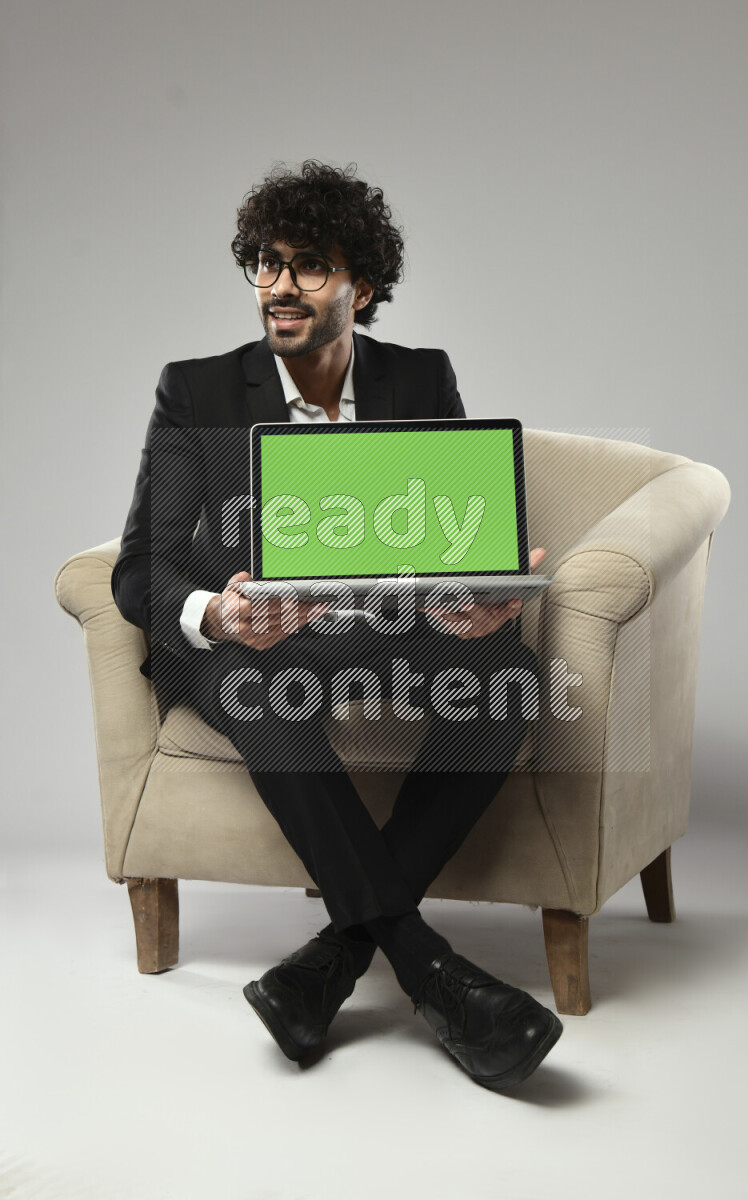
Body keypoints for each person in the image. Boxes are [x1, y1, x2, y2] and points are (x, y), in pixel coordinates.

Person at [113, 160, 562, 1089]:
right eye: (267, 263)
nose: (278, 285)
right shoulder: (195, 393)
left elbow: (453, 545)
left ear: (364, 285)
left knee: (507, 675)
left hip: (386, 632)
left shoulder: (420, 377)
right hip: (250, 642)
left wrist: (478, 597)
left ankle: (331, 961)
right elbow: (140, 565)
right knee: (258, 683)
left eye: (308, 264)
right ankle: (427, 967)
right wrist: (217, 614)